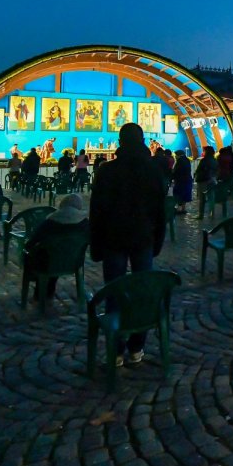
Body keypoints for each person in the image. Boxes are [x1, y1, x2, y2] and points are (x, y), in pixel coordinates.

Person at [89, 123, 166, 365]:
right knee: (143, 290)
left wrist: (96, 245)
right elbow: (160, 211)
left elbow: (97, 211)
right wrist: (157, 241)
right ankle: (137, 346)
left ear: (120, 141)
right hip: (143, 238)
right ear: (142, 140)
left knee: (114, 291)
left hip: (113, 239)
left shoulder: (107, 171)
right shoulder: (153, 170)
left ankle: (116, 348)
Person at [23, 192, 89, 300]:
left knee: (42, 254)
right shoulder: (84, 223)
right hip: (74, 262)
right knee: (58, 252)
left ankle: (40, 292)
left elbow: (32, 242)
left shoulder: (50, 222)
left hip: (47, 263)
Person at [194, 145, 217, 219]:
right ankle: (212, 214)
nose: (203, 152)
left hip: (203, 181)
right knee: (211, 198)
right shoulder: (214, 160)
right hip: (212, 180)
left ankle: (201, 215)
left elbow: (198, 170)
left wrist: (196, 174)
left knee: (202, 199)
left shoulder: (204, 160)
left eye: (204, 151)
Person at [171, 149, 193, 214]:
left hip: (180, 181)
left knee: (179, 194)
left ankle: (179, 209)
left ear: (178, 155)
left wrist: (172, 175)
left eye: (176, 155)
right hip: (187, 180)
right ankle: (183, 209)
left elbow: (177, 171)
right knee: (185, 195)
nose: (175, 157)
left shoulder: (180, 161)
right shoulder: (187, 160)